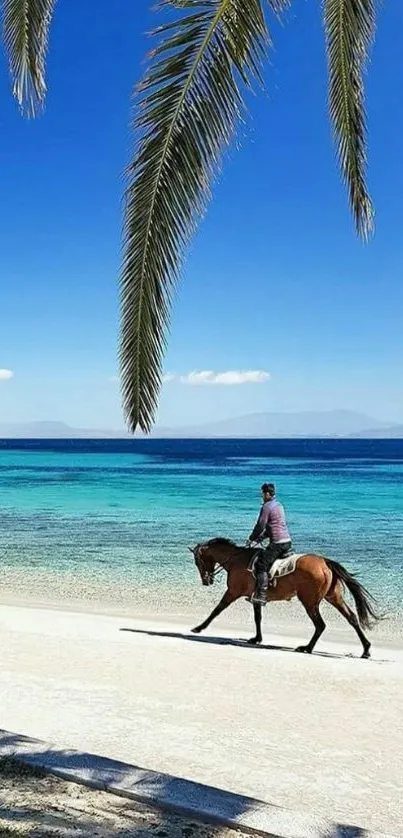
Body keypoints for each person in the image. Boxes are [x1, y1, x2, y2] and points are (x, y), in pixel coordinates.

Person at [247, 483, 292, 606]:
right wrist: (261, 538)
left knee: (261, 564)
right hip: (287, 541)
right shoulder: (279, 505)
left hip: (277, 543)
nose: (262, 496)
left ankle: (261, 596)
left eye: (262, 494)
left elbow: (261, 525)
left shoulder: (267, 506)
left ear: (267, 493)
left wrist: (252, 537)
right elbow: (273, 526)